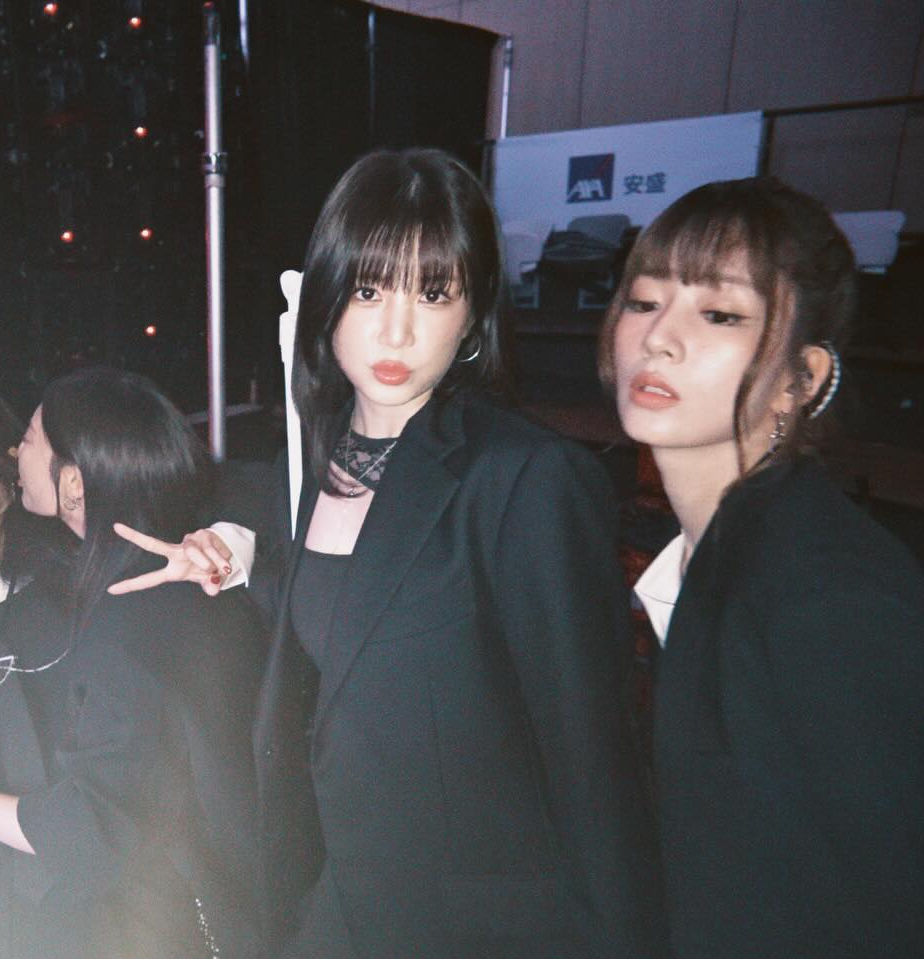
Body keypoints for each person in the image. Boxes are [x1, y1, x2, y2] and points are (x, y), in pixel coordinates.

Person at [247, 148, 664, 958]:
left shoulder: (525, 477)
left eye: (433, 293)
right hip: (334, 901)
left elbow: (594, 766)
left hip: (472, 928)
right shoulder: (312, 460)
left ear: (472, 316)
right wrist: (246, 569)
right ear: (327, 295)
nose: (396, 329)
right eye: (369, 289)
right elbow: (355, 627)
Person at [601, 176, 924, 958]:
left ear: (800, 379)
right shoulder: (721, 549)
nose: (659, 337)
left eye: (720, 313)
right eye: (644, 300)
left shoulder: (826, 595)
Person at [0, 368, 267, 959]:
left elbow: (237, 491)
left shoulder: (106, 575)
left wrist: (226, 545)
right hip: (12, 891)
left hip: (130, 898)